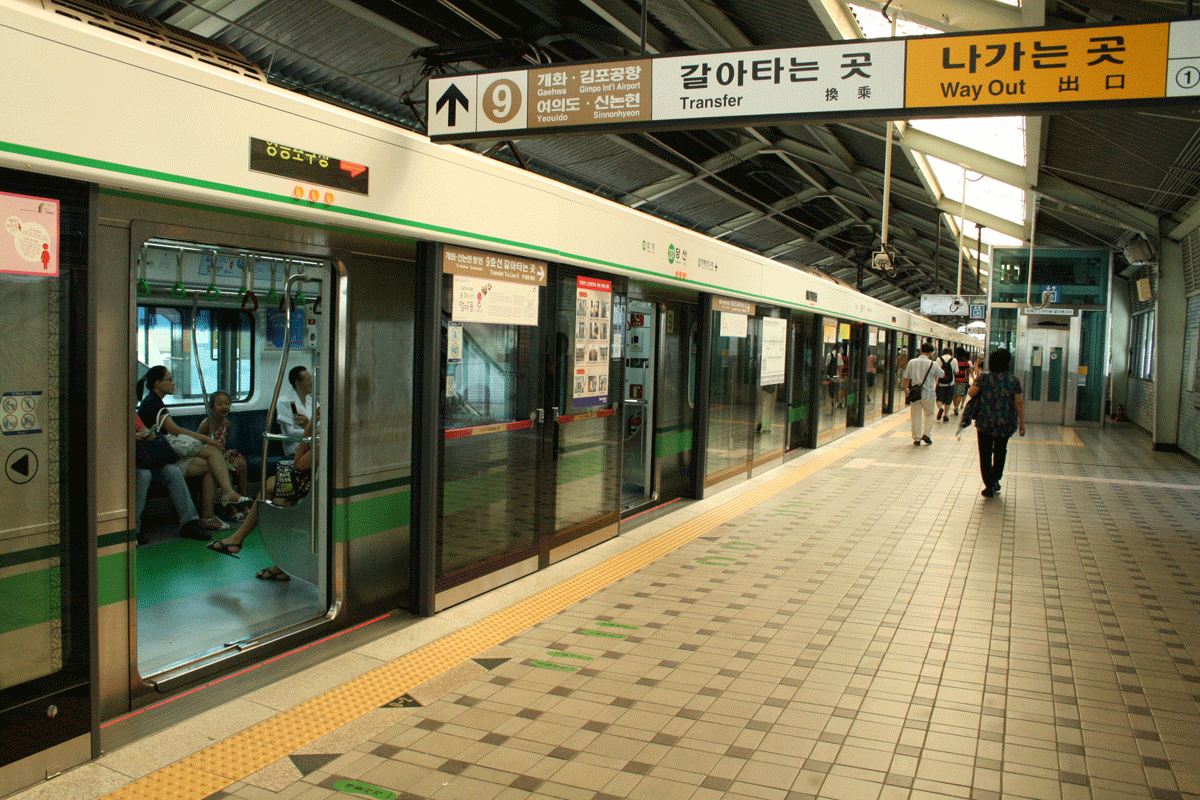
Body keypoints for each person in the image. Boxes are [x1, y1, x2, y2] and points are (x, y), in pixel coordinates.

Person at [206, 414, 316, 581]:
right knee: (275, 491)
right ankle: (279, 563)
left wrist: (309, 426)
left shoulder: (331, 440)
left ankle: (240, 541)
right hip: (315, 483)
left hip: (317, 488)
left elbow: (299, 463)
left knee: (275, 490)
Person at [136, 366, 253, 520]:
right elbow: (174, 430)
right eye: (169, 379)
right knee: (211, 451)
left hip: (161, 449)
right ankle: (227, 494)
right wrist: (207, 439)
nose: (173, 383)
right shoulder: (153, 402)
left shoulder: (153, 401)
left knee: (211, 464)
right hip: (157, 453)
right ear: (158, 383)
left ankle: (210, 514)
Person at [135, 415, 208, 543]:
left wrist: (149, 434)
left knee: (173, 471)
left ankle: (189, 522)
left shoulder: (132, 414)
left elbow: (143, 429)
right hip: (127, 464)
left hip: (143, 459)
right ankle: (133, 529)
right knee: (144, 475)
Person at [967, 348, 1025, 497]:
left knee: (985, 454)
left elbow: (971, 393)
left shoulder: (984, 378)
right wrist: (1022, 424)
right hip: (1006, 422)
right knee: (1000, 451)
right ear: (1007, 363)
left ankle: (989, 484)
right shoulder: (1014, 380)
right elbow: (1019, 403)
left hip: (985, 422)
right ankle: (996, 479)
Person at [198, 390, 249, 499]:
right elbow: (197, 441)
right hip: (209, 455)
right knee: (228, 468)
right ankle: (230, 502)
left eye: (227, 404)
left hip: (222, 453)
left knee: (242, 465)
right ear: (212, 407)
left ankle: (243, 499)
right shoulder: (207, 423)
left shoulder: (227, 424)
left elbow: (223, 441)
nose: (224, 407)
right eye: (219, 404)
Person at [902, 342, 943, 446]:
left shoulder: (912, 362)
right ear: (931, 353)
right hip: (929, 394)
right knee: (929, 414)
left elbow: (906, 377)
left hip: (915, 394)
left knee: (915, 416)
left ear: (921, 350)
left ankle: (916, 438)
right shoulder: (933, 364)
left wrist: (906, 390)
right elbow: (942, 374)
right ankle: (927, 434)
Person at [276, 365, 314, 456]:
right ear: (298, 383)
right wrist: (313, 432)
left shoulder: (311, 400)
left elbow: (321, 424)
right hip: (296, 446)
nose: (311, 383)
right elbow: (290, 432)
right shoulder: (285, 401)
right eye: (308, 380)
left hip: (313, 441)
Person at [934, 348, 956, 421]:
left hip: (940, 383)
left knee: (939, 398)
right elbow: (956, 372)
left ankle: (940, 408)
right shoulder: (954, 360)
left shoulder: (938, 359)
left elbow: (936, 372)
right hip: (950, 383)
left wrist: (936, 381)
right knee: (948, 400)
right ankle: (946, 415)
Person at [950, 346, 973, 416]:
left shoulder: (953, 360)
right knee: (959, 394)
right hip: (962, 379)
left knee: (954, 394)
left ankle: (955, 405)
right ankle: (956, 407)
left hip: (953, 379)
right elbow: (969, 370)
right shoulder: (965, 361)